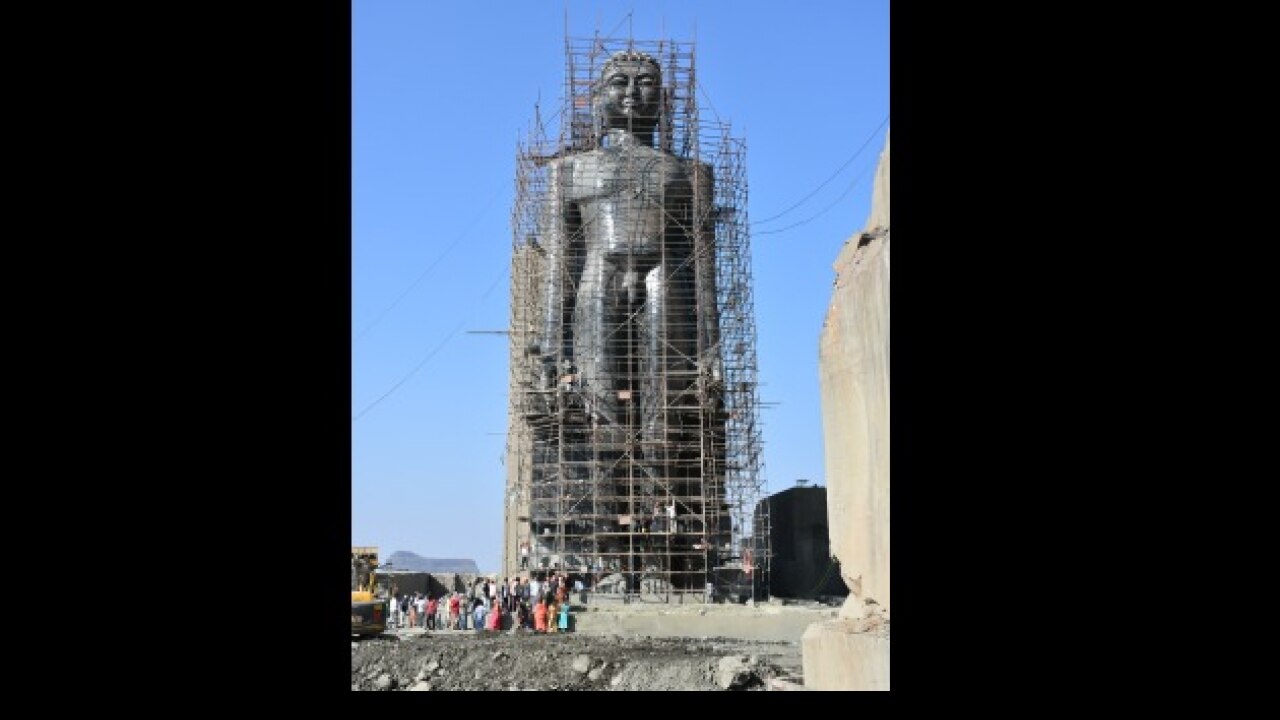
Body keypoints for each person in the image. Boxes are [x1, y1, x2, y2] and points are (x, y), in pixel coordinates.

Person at [533, 49, 719, 479]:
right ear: (598, 96)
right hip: (601, 274)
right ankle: (606, 526)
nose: (633, 92)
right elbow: (560, 263)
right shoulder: (569, 170)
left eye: (646, 81)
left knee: (665, 410)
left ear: (664, 99)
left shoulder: (690, 173)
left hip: (664, 276)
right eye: (620, 81)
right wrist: (551, 349)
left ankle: (663, 524)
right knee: (599, 407)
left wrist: (711, 350)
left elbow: (703, 266)